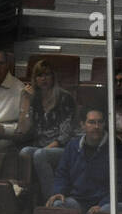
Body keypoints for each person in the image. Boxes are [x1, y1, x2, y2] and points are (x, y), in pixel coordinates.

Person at [45, 108, 122, 214]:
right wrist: (58, 192)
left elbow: (121, 184)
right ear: (82, 125)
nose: (96, 126)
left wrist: (103, 204)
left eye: (100, 122)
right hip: (78, 201)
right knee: (57, 205)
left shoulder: (117, 148)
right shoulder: (72, 146)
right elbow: (62, 173)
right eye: (91, 122)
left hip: (103, 203)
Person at [16, 58, 78, 203]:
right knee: (24, 152)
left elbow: (65, 135)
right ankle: (26, 198)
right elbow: (22, 130)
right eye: (39, 75)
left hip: (63, 148)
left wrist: (44, 149)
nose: (43, 79)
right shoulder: (34, 99)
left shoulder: (64, 98)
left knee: (39, 154)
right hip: (41, 147)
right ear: (34, 79)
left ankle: (50, 201)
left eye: (47, 75)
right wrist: (25, 101)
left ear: (53, 77)